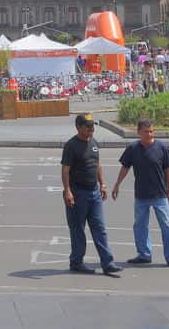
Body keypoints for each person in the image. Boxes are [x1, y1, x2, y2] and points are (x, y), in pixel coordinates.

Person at [112, 119, 169, 269]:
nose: (149, 134)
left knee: (166, 226)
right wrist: (117, 184)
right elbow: (125, 167)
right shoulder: (133, 148)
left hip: (160, 195)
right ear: (138, 132)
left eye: (151, 131)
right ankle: (144, 254)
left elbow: (168, 170)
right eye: (146, 132)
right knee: (140, 226)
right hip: (141, 195)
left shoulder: (161, 147)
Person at [60, 113, 122, 275]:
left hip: (94, 193)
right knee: (78, 230)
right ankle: (76, 262)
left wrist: (103, 184)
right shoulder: (71, 146)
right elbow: (65, 170)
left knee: (100, 228)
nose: (91, 129)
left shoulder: (94, 143)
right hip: (77, 193)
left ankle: (108, 263)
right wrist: (67, 191)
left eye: (92, 126)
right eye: (87, 127)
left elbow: (97, 165)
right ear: (78, 127)